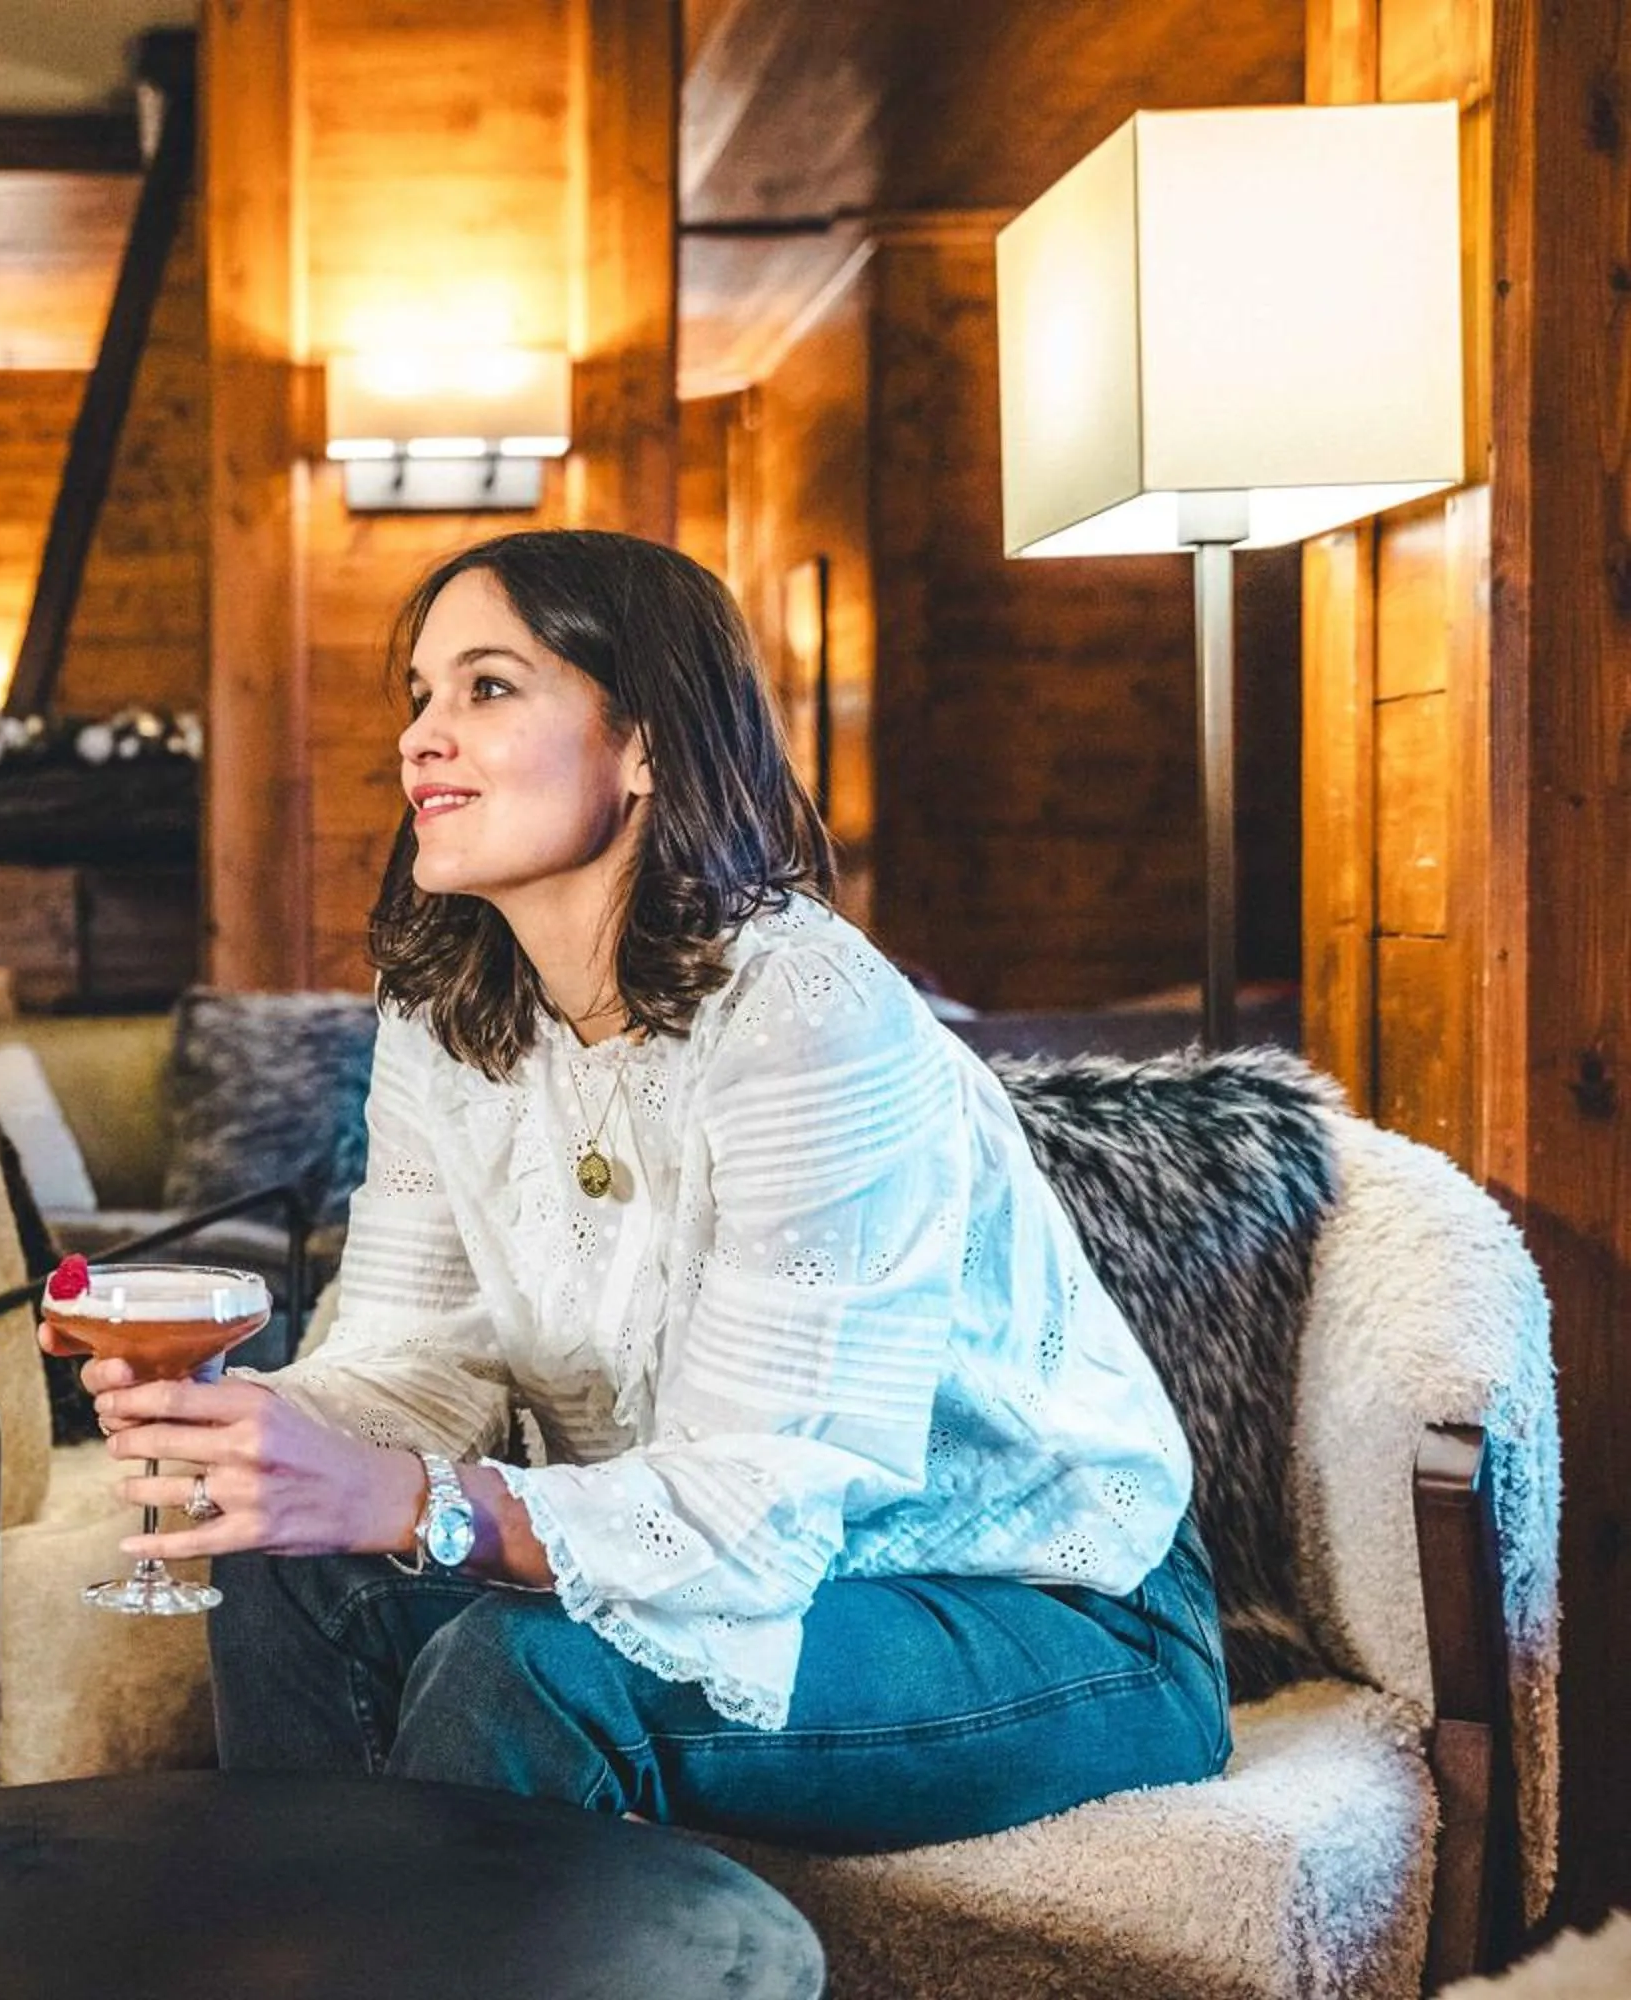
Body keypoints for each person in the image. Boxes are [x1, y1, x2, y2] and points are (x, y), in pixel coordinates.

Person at [64, 529, 1226, 1851]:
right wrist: (261, 1436)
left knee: (530, 1675)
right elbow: (415, 1365)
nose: (421, 739)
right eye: (421, 695)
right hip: (787, 1572)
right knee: (284, 1566)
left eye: (488, 687)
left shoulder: (811, 1013)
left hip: (1045, 1613)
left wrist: (417, 1501)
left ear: (648, 746)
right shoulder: (443, 1010)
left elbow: (765, 1510)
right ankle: (303, 1950)